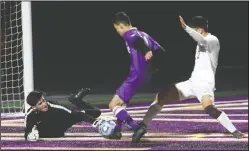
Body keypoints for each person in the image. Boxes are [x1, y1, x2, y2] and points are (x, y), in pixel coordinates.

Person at [132, 15, 246, 143]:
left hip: (204, 84)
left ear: (200, 30)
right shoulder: (201, 43)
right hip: (192, 82)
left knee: (209, 108)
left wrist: (186, 28)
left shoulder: (213, 39)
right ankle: (142, 126)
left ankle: (235, 131)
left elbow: (202, 41)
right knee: (161, 96)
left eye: (194, 30)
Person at [107, 11, 166, 139]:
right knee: (122, 104)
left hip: (135, 75)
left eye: (117, 29)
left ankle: (136, 127)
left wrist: (146, 50)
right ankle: (117, 130)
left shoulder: (129, 34)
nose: (118, 32)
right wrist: (155, 67)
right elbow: (161, 51)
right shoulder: (144, 34)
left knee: (113, 104)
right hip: (145, 76)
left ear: (121, 26)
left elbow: (136, 40)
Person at [24, 88, 102, 141]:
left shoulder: (53, 106)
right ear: (34, 107)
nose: (44, 104)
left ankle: (77, 101)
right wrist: (29, 136)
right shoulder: (30, 115)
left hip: (62, 121)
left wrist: (94, 121)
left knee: (97, 112)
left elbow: (73, 114)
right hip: (50, 131)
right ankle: (77, 100)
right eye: (40, 103)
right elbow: (27, 132)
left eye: (44, 100)